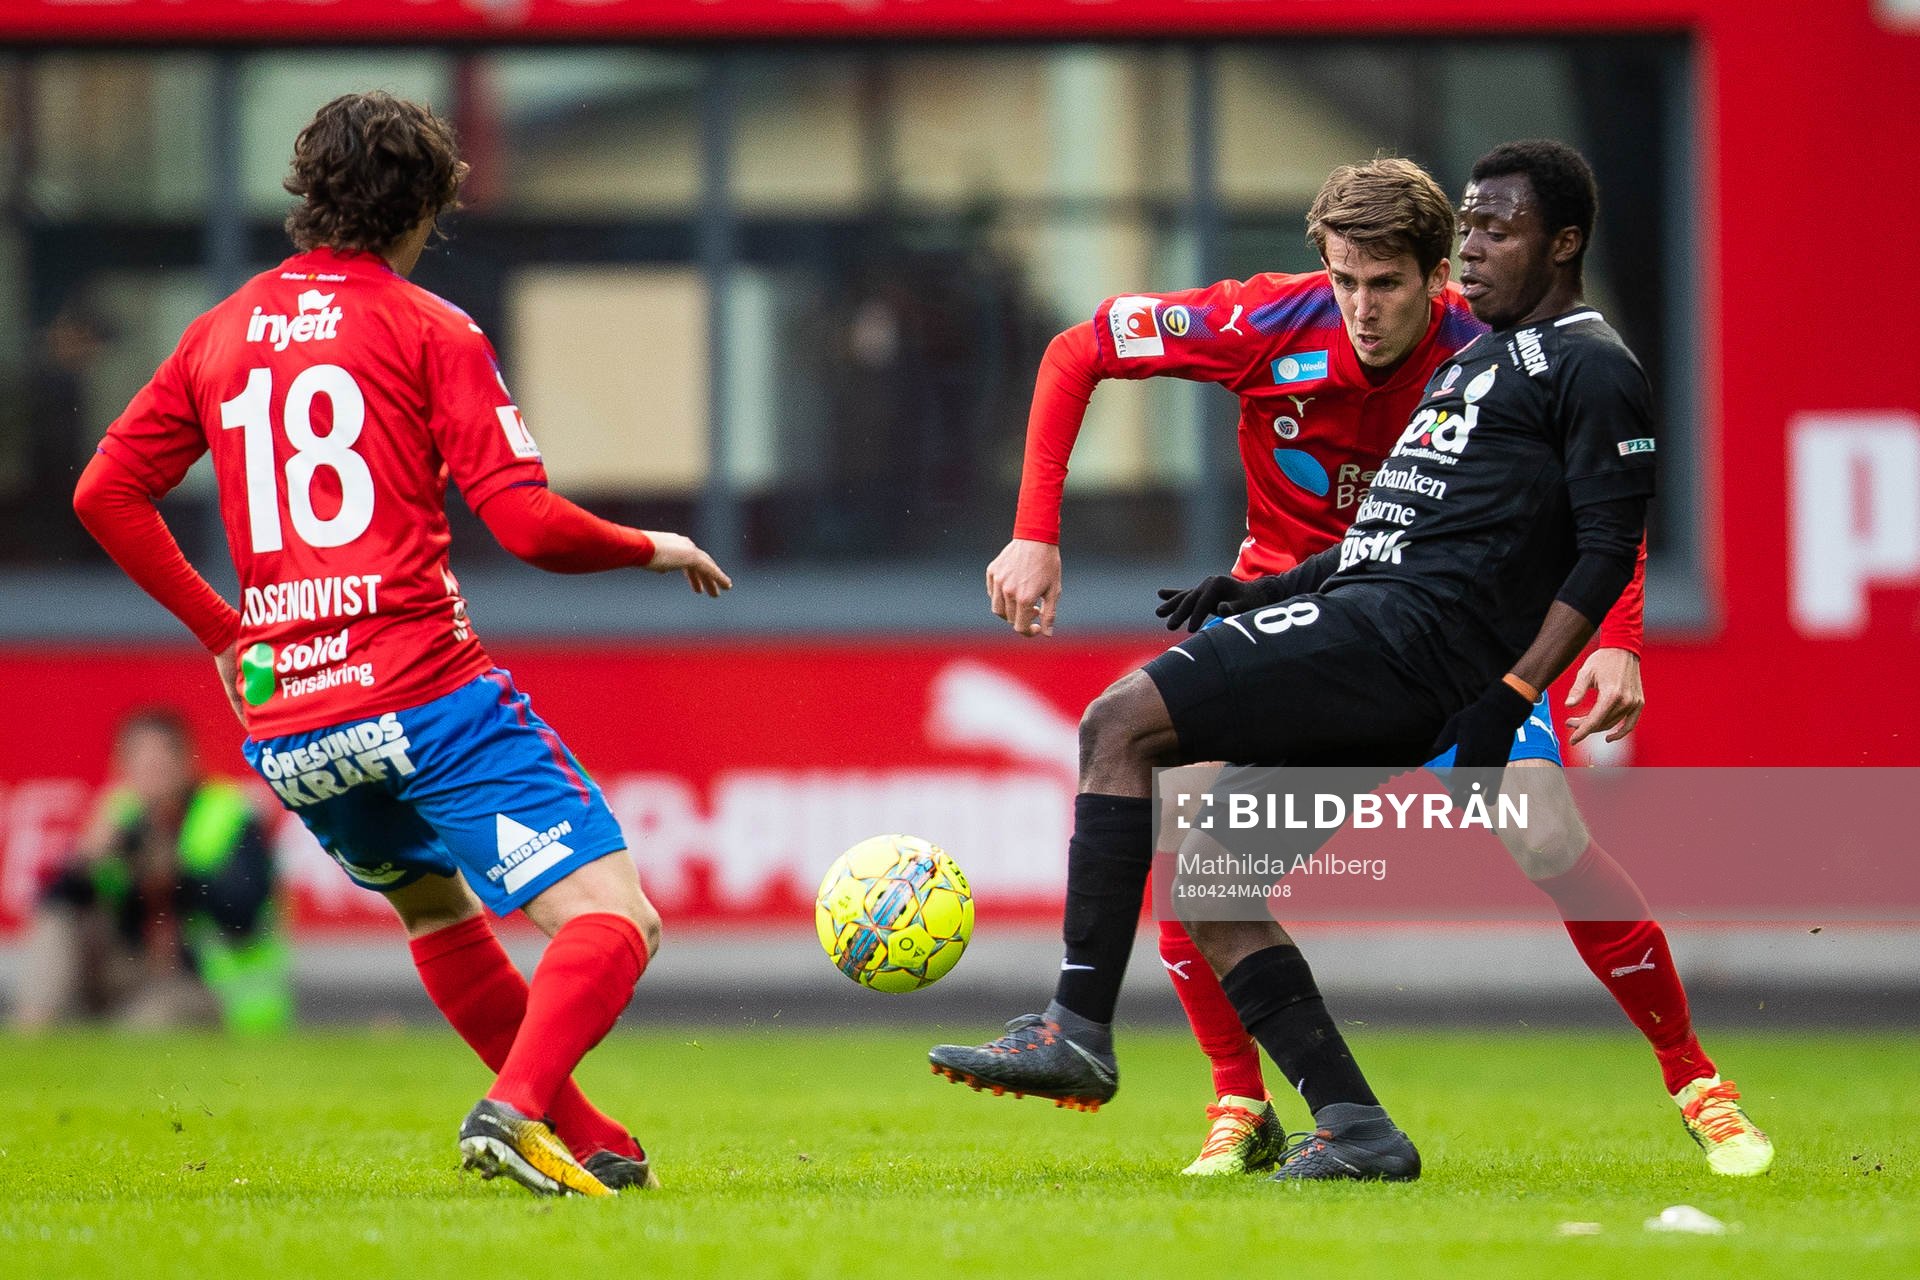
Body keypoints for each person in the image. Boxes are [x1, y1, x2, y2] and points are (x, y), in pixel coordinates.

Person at [933, 140, 1771, 1180]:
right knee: (1188, 835)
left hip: (1452, 623)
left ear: (1435, 274)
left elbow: (1603, 499)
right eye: (1343, 280)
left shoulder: (1504, 345)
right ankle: (1242, 1101)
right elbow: (1077, 348)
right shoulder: (1262, 319)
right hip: (1300, 598)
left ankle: (1697, 1078)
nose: (1362, 308)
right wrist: (1034, 528)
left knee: (1543, 821)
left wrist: (1618, 639)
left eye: (1386, 284)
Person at [72, 91, 730, 1198]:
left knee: (434, 904)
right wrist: (651, 543)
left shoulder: (222, 329)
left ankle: (579, 1128)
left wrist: (227, 632)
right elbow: (527, 524)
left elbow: (107, 492)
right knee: (617, 916)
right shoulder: (431, 327)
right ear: (424, 205)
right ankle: (514, 1109)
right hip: (420, 684)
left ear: (309, 194)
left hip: (295, 716)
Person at [11, 707, 290, 1033]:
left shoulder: (228, 814)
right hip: (132, 974)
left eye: (161, 763)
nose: (151, 775)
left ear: (187, 761)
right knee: (59, 921)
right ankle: (32, 1028)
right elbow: (58, 905)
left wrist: (178, 874)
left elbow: (243, 915)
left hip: (206, 987)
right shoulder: (119, 819)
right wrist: (85, 862)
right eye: (140, 764)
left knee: (146, 1027)